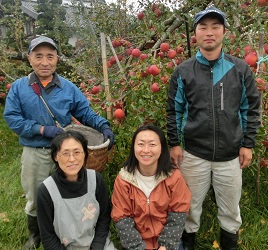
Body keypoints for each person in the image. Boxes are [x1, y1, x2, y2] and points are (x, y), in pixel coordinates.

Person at [3, 36, 114, 249]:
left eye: (50, 57)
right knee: (36, 195)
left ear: (56, 60)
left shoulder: (68, 88)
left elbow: (85, 113)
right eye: (38, 56)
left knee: (66, 194)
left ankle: (67, 229)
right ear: (29, 59)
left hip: (65, 152)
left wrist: (104, 126)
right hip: (35, 151)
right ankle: (36, 234)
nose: (44, 62)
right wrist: (42, 130)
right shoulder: (18, 88)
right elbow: (13, 119)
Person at [166, 6, 260, 250]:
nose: (209, 32)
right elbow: (174, 110)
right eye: (203, 27)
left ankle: (229, 244)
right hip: (194, 153)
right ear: (195, 33)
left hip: (230, 154)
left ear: (224, 32)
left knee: (230, 209)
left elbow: (250, 108)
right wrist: (174, 144)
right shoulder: (183, 71)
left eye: (215, 26)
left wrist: (248, 144)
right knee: (189, 206)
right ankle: (187, 244)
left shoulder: (240, 69)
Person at [111, 124, 191, 250]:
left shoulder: (174, 177)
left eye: (152, 144)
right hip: (136, 244)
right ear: (134, 148)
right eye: (141, 144)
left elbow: (178, 214)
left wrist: (165, 246)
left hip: (167, 242)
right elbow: (122, 219)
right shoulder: (124, 180)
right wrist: (138, 247)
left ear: (162, 148)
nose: (146, 150)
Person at [36, 130, 116, 249]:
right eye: (65, 153)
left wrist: (97, 246)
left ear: (85, 154)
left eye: (77, 152)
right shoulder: (46, 190)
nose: (72, 159)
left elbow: (104, 218)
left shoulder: (96, 179)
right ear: (55, 156)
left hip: (98, 244)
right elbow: (48, 237)